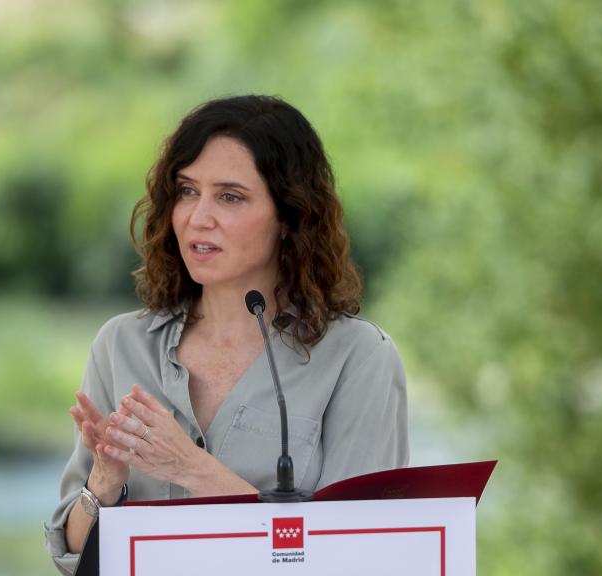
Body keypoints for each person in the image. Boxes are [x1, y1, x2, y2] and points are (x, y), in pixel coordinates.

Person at [44, 95, 408, 575]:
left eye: (230, 196)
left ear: (290, 216)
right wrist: (104, 485)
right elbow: (74, 562)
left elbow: (361, 558)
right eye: (187, 191)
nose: (198, 217)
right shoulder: (120, 346)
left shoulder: (359, 358)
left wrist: (191, 470)